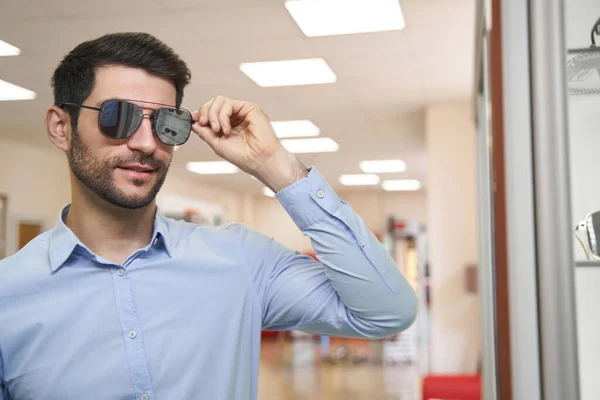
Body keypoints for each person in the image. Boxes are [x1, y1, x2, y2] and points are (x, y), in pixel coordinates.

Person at [0, 32, 418, 400]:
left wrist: (276, 165)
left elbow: (386, 312)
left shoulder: (241, 261)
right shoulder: (8, 298)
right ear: (61, 127)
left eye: (166, 123)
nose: (146, 143)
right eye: (117, 116)